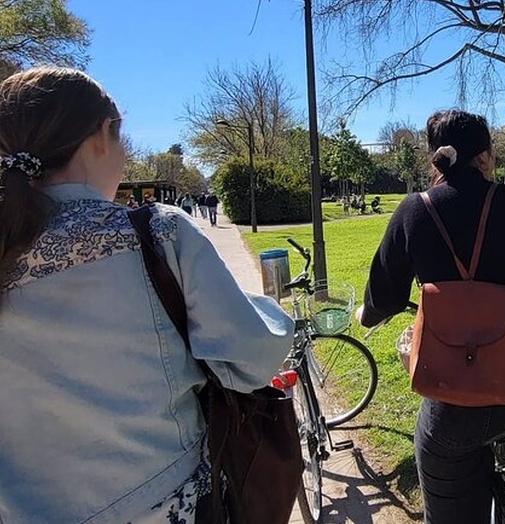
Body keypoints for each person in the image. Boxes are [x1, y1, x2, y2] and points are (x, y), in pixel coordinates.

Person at [0, 67, 295, 524]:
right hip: (163, 504)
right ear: (102, 135)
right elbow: (250, 359)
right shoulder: (156, 233)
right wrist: (269, 314)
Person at [356, 110, 505, 524]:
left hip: (455, 401)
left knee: (441, 463)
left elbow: (383, 296)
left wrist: (368, 313)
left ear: (434, 158)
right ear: (487, 157)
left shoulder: (413, 211)